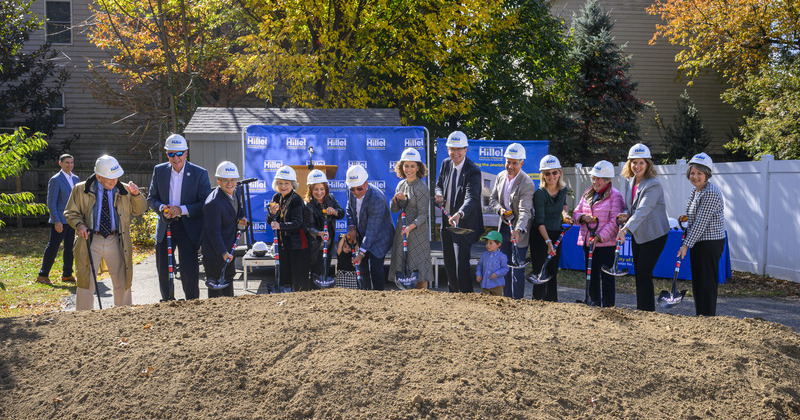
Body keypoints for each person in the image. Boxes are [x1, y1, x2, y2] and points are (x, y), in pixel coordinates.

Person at [64, 155, 147, 310]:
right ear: (98, 177)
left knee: (122, 279)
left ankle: (124, 314)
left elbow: (139, 209)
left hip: (116, 240)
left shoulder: (124, 189)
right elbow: (71, 212)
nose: (114, 182)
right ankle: (83, 318)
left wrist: (136, 195)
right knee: (86, 280)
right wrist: (80, 225)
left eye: (116, 178)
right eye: (110, 179)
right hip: (90, 240)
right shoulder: (80, 189)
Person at [147, 134, 211, 301]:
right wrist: (163, 208)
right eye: (171, 154)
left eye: (179, 153)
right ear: (167, 154)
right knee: (164, 268)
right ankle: (167, 301)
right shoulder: (159, 171)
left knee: (189, 269)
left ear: (186, 153)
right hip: (165, 224)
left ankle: (192, 302)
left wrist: (181, 209)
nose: (176, 158)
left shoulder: (199, 173)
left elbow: (205, 202)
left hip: (187, 226)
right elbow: (151, 198)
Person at [617, 143, 670, 311]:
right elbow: (630, 207)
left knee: (644, 272)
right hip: (639, 233)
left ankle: (647, 311)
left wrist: (625, 229)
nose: (637, 166)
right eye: (634, 162)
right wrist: (625, 213)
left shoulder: (653, 184)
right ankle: (642, 309)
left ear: (648, 164)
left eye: (641, 162)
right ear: (629, 164)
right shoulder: (630, 181)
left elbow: (643, 210)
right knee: (639, 273)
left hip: (655, 234)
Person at [434, 131, 484, 293]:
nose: (455, 153)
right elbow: (439, 184)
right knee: (449, 263)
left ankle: (466, 298)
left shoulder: (473, 171)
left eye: (459, 149)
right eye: (452, 149)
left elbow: (472, 198)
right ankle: (453, 297)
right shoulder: (445, 164)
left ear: (465, 150)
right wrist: (439, 193)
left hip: (464, 224)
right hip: (446, 222)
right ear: (448, 149)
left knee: (461, 265)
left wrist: (459, 214)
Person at [677, 153, 726, 316]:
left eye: (699, 173)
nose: (695, 176)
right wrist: (685, 218)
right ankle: (701, 315)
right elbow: (694, 217)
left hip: (710, 243)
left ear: (707, 174)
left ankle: (707, 317)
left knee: (706, 282)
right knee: (698, 281)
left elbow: (701, 224)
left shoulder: (710, 192)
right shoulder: (697, 190)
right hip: (699, 242)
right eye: (692, 172)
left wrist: (685, 245)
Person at [572, 160, 624, 307]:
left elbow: (615, 221)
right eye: (593, 178)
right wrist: (582, 217)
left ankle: (608, 308)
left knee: (607, 278)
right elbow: (576, 212)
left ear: (608, 180)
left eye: (599, 178)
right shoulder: (588, 193)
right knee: (591, 275)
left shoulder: (616, 196)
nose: (595, 181)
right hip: (588, 241)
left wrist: (599, 237)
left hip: (605, 244)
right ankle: (593, 303)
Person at [489, 143, 535, 299]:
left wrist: (518, 230)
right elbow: (493, 199)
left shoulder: (527, 183)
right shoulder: (501, 176)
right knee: (505, 266)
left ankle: (518, 301)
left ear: (521, 163)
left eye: (515, 162)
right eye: (508, 161)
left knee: (517, 268)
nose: (510, 166)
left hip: (519, 231)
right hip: (503, 227)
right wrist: (500, 210)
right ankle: (507, 299)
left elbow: (524, 211)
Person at [201, 161, 247, 298]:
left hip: (228, 246)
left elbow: (238, 208)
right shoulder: (213, 203)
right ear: (218, 181)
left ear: (237, 180)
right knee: (216, 288)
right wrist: (223, 252)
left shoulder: (236, 191)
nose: (230, 183)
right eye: (225, 180)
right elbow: (213, 232)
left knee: (228, 280)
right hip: (215, 252)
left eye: (232, 180)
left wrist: (241, 217)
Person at [388, 148, 433, 289]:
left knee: (419, 270)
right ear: (401, 167)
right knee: (403, 270)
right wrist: (395, 200)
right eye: (406, 165)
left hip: (417, 234)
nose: (409, 169)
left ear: (418, 167)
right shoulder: (401, 185)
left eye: (412, 166)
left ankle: (424, 302)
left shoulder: (422, 188)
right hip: (403, 233)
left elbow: (423, 215)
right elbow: (394, 210)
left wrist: (410, 227)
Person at [346, 164, 395, 290]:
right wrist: (352, 227)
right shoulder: (351, 190)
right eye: (352, 189)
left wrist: (360, 253)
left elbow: (372, 230)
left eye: (359, 189)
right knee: (362, 267)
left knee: (375, 267)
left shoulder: (377, 198)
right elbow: (349, 209)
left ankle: (379, 296)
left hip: (380, 236)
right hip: (364, 232)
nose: (355, 192)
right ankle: (365, 295)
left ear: (366, 184)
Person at [531, 154, 571, 302]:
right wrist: (548, 242)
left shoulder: (563, 190)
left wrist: (566, 215)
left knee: (553, 271)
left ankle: (553, 305)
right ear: (543, 175)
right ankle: (538, 302)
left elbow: (563, 205)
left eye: (554, 172)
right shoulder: (539, 194)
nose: (551, 176)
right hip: (541, 236)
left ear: (559, 173)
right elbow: (539, 221)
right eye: (547, 173)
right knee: (541, 271)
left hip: (556, 233)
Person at [36, 154, 80, 285]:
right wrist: (56, 221)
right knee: (53, 247)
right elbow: (51, 203)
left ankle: (67, 274)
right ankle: (43, 275)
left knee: (70, 248)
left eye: (72, 163)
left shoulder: (76, 179)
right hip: (60, 221)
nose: (70, 165)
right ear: (60, 163)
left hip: (73, 220)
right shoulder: (55, 180)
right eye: (67, 163)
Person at [268, 166, 313, 292]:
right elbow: (271, 221)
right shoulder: (276, 198)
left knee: (299, 281)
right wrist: (271, 215)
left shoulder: (296, 199)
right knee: (285, 279)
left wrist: (280, 226)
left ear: (293, 184)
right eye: (280, 183)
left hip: (299, 245)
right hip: (284, 245)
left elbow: (298, 223)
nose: (283, 186)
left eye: (286, 183)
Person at [304, 169, 345, 283]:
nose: (319, 192)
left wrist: (335, 212)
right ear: (310, 190)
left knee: (326, 269)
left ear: (326, 189)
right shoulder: (309, 205)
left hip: (329, 241)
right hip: (315, 245)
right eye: (316, 189)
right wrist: (318, 233)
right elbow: (308, 226)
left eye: (322, 189)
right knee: (316, 271)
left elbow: (341, 213)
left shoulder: (330, 198)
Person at [475, 230, 508, 296]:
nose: (488, 245)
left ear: (498, 244)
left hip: (497, 285)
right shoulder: (484, 255)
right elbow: (479, 266)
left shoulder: (502, 256)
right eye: (487, 243)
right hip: (485, 284)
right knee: (485, 300)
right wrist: (478, 274)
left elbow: (505, 269)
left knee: (497, 301)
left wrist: (497, 273)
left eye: (491, 243)